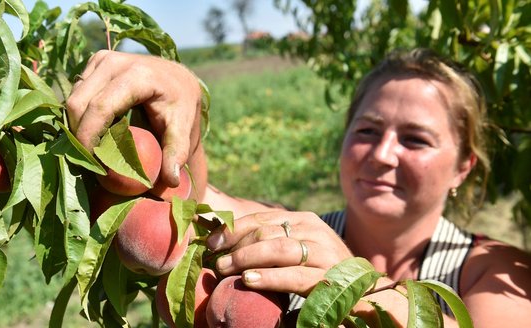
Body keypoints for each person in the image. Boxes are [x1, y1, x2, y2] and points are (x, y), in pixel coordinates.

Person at [66, 48, 531, 327]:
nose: (383, 154)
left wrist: (358, 286)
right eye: (367, 131)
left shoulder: (493, 271)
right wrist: (182, 100)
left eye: (415, 139)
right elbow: (186, 199)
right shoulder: (295, 234)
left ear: (462, 168)